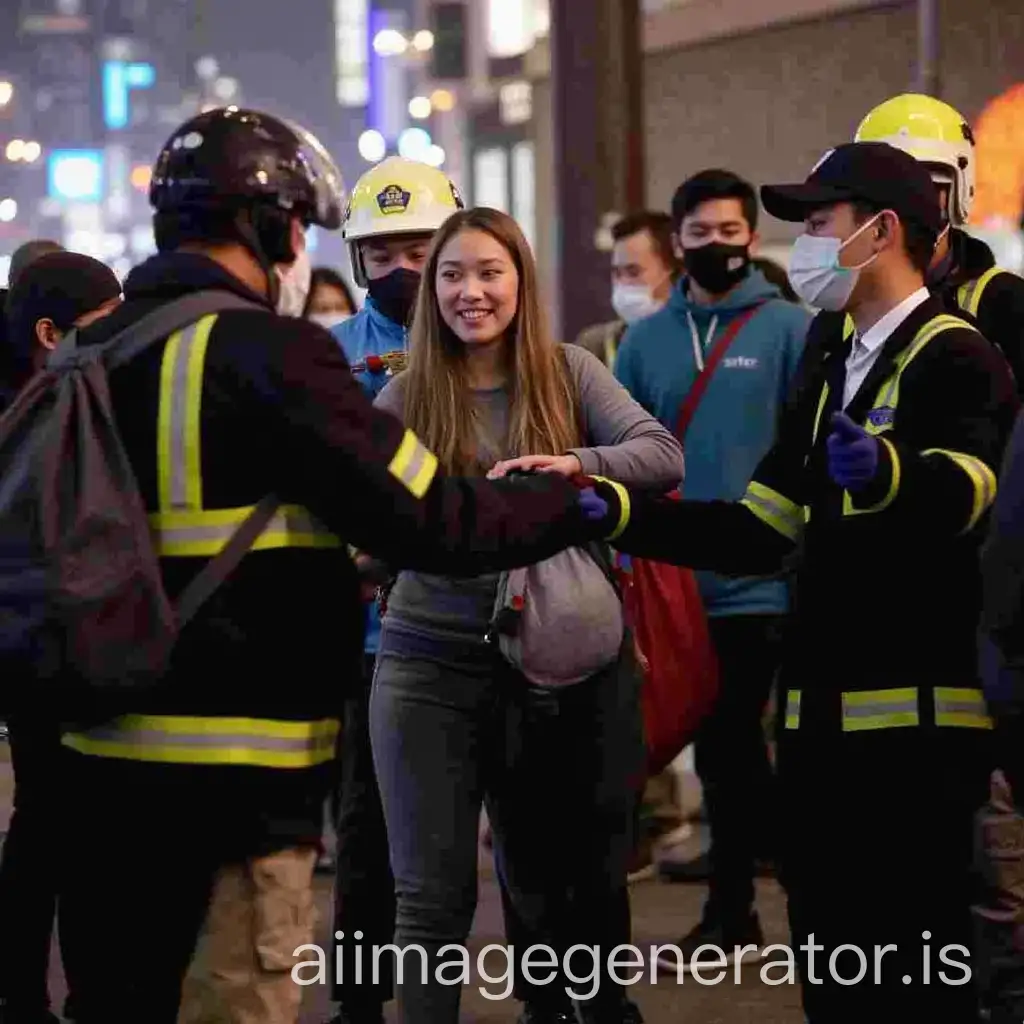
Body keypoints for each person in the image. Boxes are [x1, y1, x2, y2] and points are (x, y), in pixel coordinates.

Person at [50, 106, 618, 1024]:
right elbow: (434, 515)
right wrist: (556, 498)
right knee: (233, 996)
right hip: (235, 777)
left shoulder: (88, 355)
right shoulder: (268, 353)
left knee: (117, 998)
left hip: (92, 770)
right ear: (269, 226)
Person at [585, 141, 1020, 1022]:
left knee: (917, 973)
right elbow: (759, 525)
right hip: (816, 732)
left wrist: (891, 472)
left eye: (819, 223)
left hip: (919, 736)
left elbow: (975, 490)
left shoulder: (959, 356)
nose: (806, 243)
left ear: (881, 231)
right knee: (831, 966)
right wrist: (619, 512)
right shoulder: (831, 354)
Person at [369, 205, 682, 1024]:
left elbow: (660, 455)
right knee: (429, 898)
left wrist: (572, 464)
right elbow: (360, 516)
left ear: (520, 282)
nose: (471, 292)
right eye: (452, 275)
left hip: (548, 663)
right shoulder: (407, 393)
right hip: (425, 660)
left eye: (489, 273)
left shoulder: (569, 372)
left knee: (546, 881)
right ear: (432, 291)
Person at [613, 168, 812, 965]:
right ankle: (746, 910)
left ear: (751, 239)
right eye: (700, 234)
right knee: (712, 747)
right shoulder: (644, 341)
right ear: (678, 240)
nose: (717, 246)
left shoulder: (789, 330)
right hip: (669, 584)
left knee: (732, 745)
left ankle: (741, 910)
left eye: (731, 232)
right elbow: (622, 448)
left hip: (762, 579)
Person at [319, 154, 463, 1024]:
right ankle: (361, 1002)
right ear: (356, 258)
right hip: (374, 638)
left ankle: (552, 995)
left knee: (522, 836)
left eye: (420, 247)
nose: (402, 268)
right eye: (383, 252)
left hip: (489, 627)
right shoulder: (324, 359)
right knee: (369, 833)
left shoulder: (492, 341)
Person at [0, 251, 121, 1024]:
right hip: (40, 640)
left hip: (64, 632)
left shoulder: (60, 391)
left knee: (56, 819)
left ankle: (57, 994)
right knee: (57, 818)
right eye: (106, 327)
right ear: (51, 332)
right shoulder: (28, 409)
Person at [855, 93, 1024, 388]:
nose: (908, 206)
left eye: (927, 188)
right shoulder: (841, 316)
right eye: (885, 190)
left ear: (961, 190)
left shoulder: (1005, 303)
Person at [574, 211, 679, 368]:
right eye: (616, 273)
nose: (623, 283)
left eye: (633, 272)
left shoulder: (697, 345)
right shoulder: (594, 347)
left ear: (672, 271)